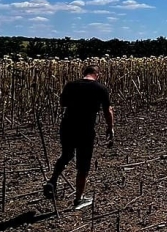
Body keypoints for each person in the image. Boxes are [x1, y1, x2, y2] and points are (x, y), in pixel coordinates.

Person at [43, 65, 114, 208]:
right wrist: (110, 128)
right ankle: (79, 199)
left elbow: (62, 103)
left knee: (66, 155)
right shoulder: (100, 88)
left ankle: (53, 180)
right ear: (96, 74)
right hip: (85, 130)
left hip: (67, 126)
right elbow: (108, 110)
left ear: (84, 73)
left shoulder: (71, 85)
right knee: (83, 165)